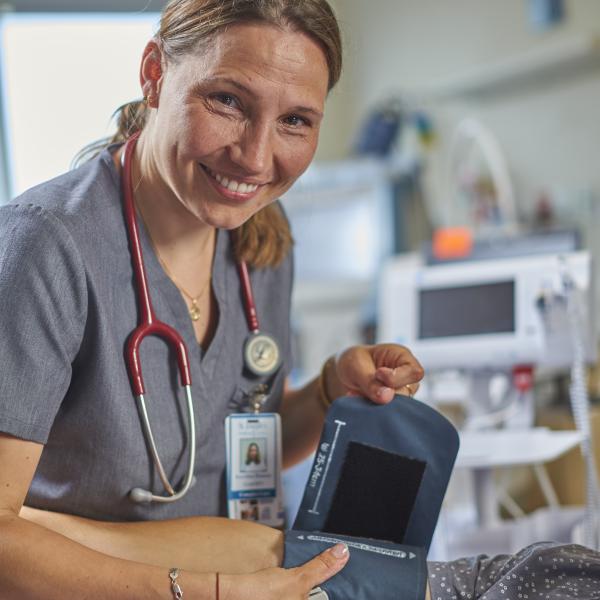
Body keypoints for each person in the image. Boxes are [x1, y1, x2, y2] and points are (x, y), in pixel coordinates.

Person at [0, 0, 424, 597]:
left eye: (295, 121)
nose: (255, 158)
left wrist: (330, 390)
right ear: (153, 74)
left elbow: (237, 443)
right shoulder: (44, 247)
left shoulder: (262, 245)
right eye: (227, 101)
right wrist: (202, 591)